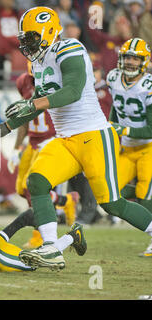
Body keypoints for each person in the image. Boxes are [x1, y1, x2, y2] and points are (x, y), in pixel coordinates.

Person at [0, 6, 152, 270]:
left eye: (32, 37)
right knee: (36, 182)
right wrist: (3, 127)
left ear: (49, 32)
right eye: (24, 38)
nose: (27, 44)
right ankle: (51, 247)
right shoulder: (38, 61)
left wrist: (33, 104)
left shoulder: (70, 48)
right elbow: (36, 104)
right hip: (65, 139)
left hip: (93, 135)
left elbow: (72, 91)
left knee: (113, 204)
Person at [9, 68, 79, 248]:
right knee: (20, 188)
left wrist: (58, 138)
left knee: (31, 187)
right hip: (32, 142)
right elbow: (24, 117)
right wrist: (17, 147)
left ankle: (40, 235)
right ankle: (66, 201)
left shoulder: (57, 79)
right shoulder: (23, 81)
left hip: (51, 139)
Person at [107, 38, 152, 257]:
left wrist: (123, 130)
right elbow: (115, 111)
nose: (131, 62)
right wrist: (111, 132)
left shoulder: (148, 86)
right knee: (110, 191)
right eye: (127, 57)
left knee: (145, 196)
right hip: (127, 148)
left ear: (145, 61)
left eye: (135, 58)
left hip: (148, 148)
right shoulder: (113, 78)